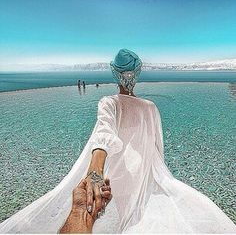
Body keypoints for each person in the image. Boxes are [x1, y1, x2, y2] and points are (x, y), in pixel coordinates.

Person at [0, 49, 236, 233]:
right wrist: (155, 174)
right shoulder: (150, 107)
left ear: (115, 73)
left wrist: (95, 171)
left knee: (121, 212)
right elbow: (157, 147)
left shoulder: (109, 103)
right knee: (137, 215)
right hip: (142, 172)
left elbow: (104, 133)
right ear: (138, 72)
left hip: (116, 175)